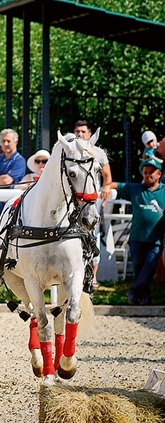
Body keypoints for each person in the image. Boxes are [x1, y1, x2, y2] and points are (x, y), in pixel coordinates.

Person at [109, 157, 165, 305]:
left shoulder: (164, 192)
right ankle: (144, 297)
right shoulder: (135, 189)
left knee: (150, 267)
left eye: (151, 172)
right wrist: (106, 187)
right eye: (145, 172)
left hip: (156, 239)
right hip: (136, 237)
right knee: (139, 268)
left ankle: (134, 292)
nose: (148, 175)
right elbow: (115, 185)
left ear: (159, 174)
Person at [74, 120, 113, 288]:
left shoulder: (97, 152)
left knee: (93, 237)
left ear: (89, 134)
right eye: (77, 131)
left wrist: (106, 187)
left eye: (83, 131)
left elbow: (107, 175)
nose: (80, 134)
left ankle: (93, 277)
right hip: (74, 202)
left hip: (91, 201)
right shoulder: (70, 151)